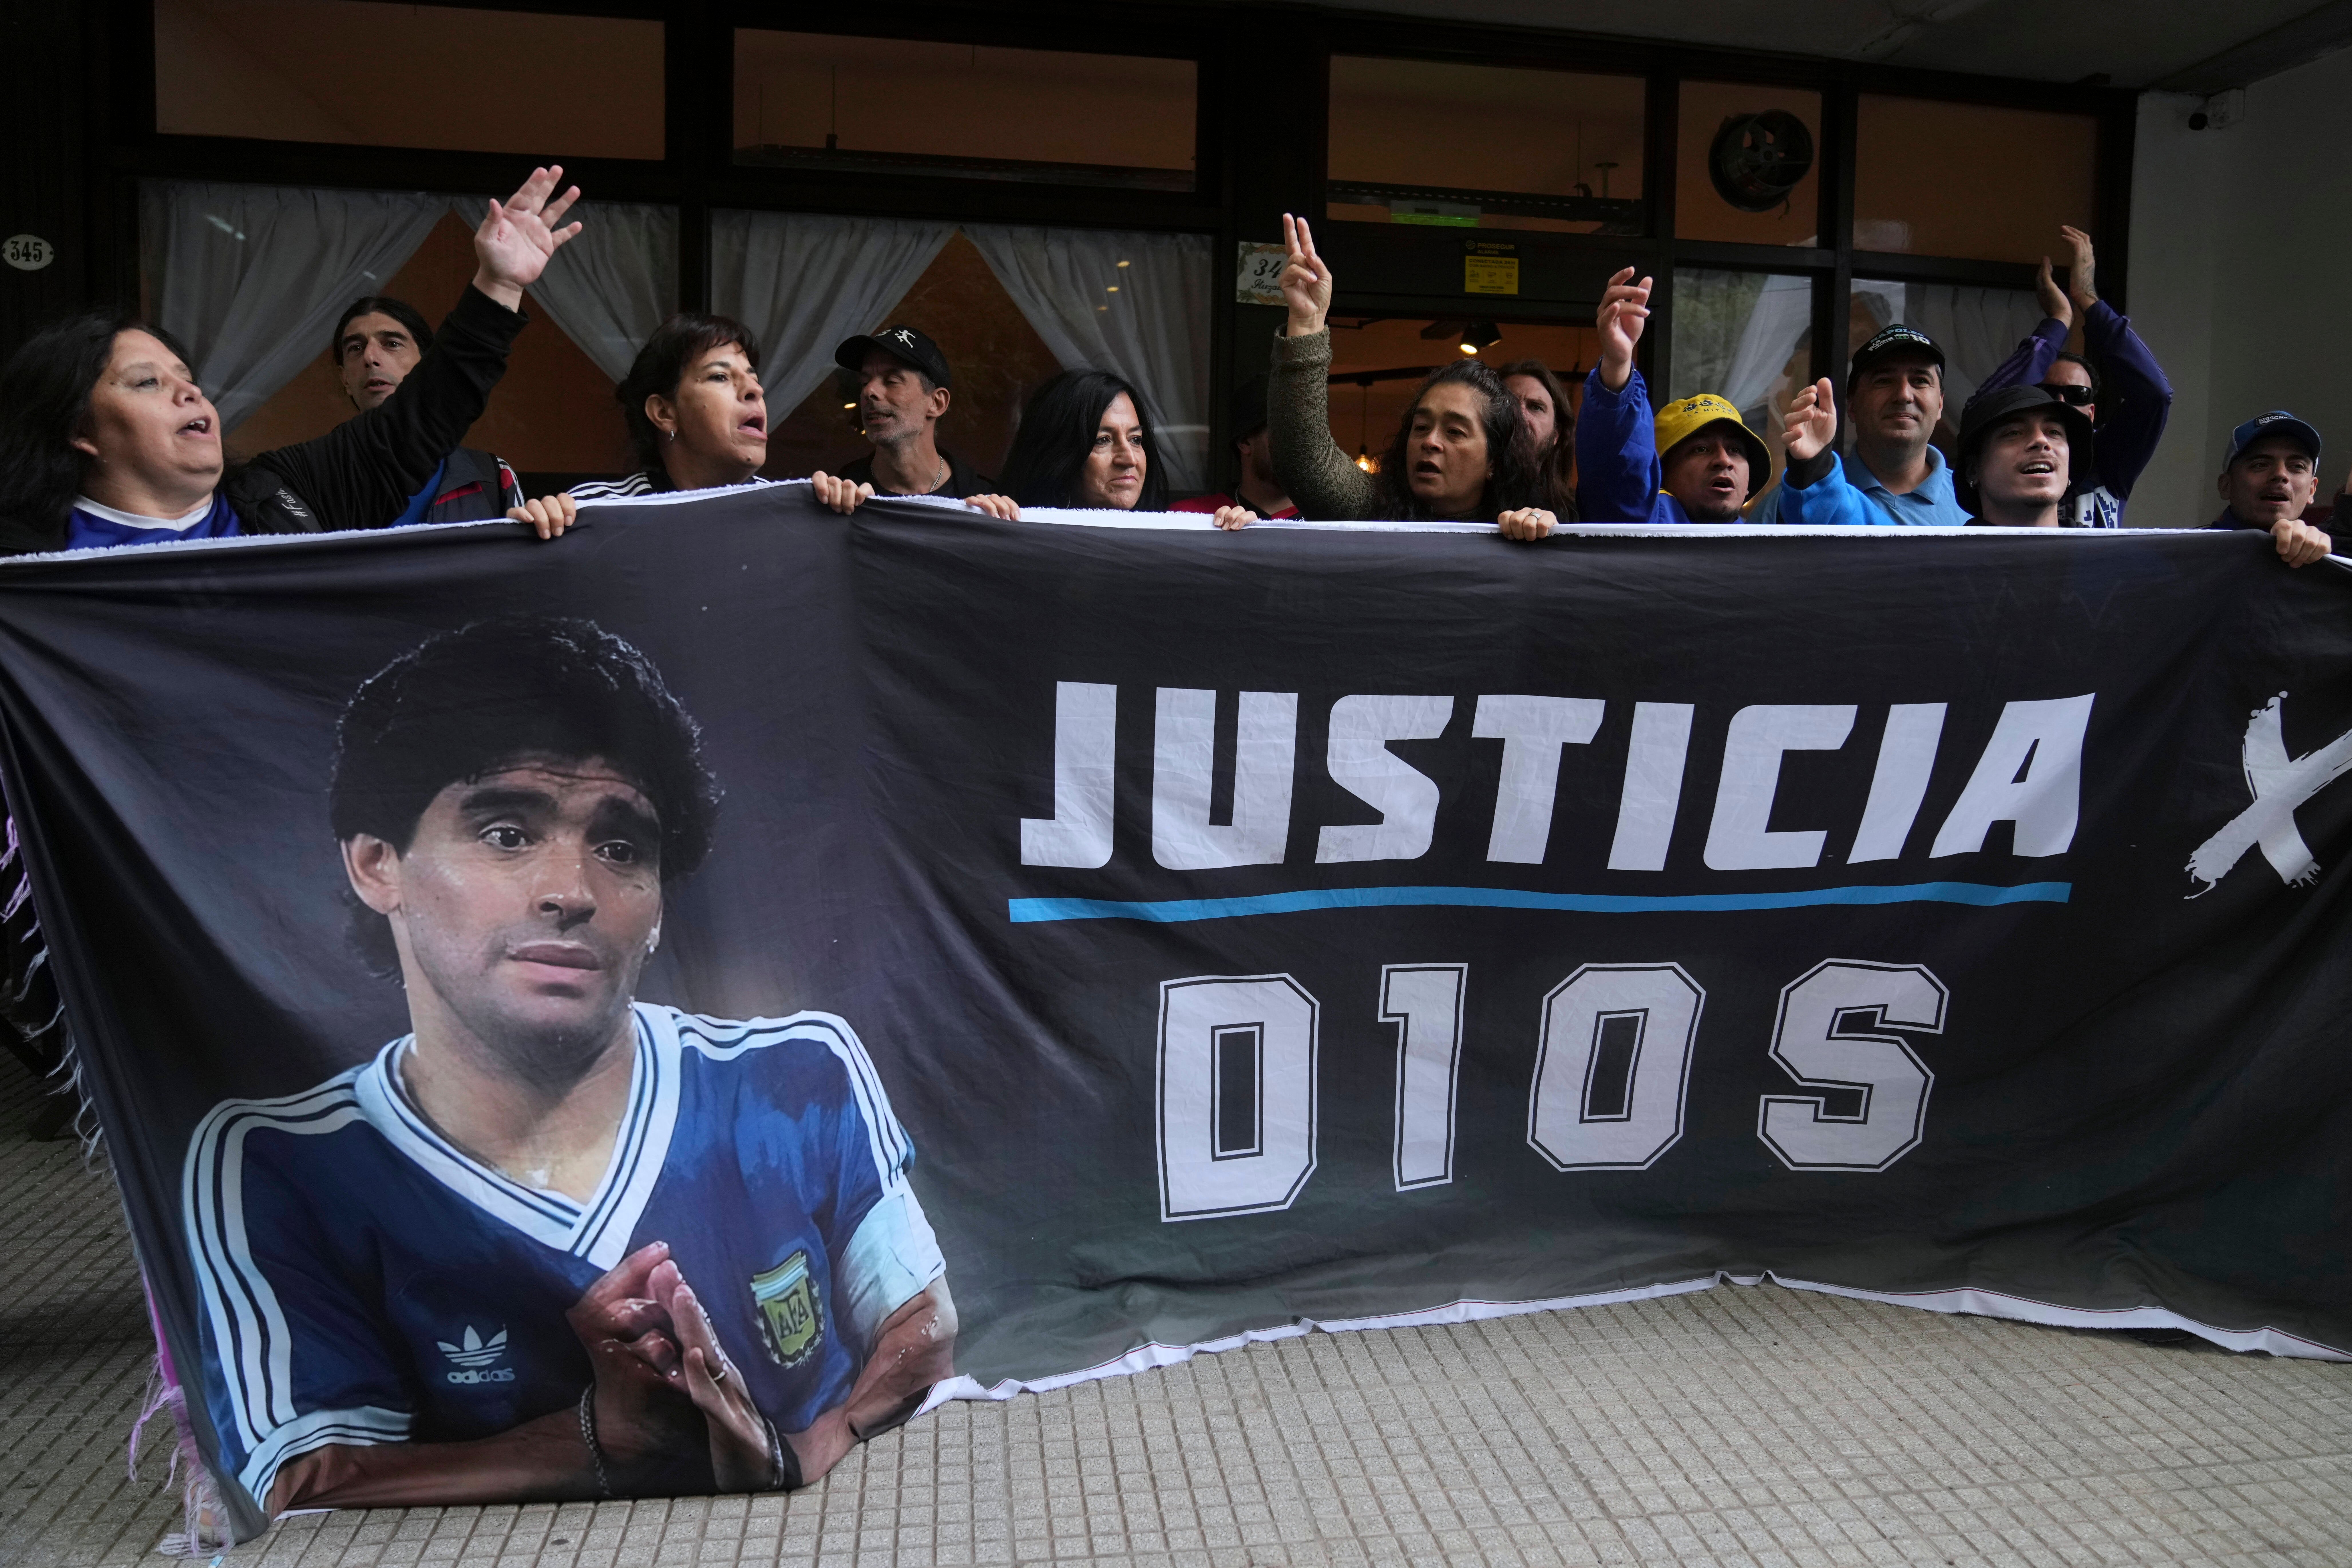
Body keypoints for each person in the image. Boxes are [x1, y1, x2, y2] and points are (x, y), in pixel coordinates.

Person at [182, 615, 956, 1514]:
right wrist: (601, 1439)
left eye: (621, 847)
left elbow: (922, 1324)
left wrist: (806, 1449)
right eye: (508, 832)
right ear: (376, 864)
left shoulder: (797, 1071)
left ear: (661, 902)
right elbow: (301, 1479)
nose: (572, 890)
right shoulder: (280, 1161)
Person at [0, 166, 580, 556]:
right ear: (80, 428)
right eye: (148, 382)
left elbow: (429, 411)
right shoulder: (27, 559)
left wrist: (498, 284)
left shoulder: (283, 495)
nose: (191, 395)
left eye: (189, 378)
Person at [1261, 215, 1552, 539]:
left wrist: (1538, 532)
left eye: (1455, 431)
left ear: (1494, 462)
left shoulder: (1518, 528)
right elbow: (1304, 459)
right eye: (1421, 427)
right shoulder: (1373, 508)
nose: (1430, 442)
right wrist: (1306, 322)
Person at [1974, 228, 2172, 528]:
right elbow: (1985, 408)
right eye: (2045, 392)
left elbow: (2154, 395)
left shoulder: (2109, 460)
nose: (2061, 402)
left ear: (2092, 413)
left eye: (2077, 394)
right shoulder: (2002, 462)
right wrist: (2058, 321)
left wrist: (2088, 300)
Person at [1571, 270, 1768, 525]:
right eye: (1701, 449)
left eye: (1736, 450)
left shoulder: (1760, 543)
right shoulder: (1642, 529)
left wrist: (1812, 467)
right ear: (1660, 474)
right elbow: (1622, 467)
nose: (1724, 461)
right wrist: (1618, 365)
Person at [330, 296, 525, 526]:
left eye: (392, 344)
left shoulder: (493, 476)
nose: (370, 358)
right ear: (345, 379)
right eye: (356, 348)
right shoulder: (308, 478)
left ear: (426, 365)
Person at [1763, 322, 1968, 528]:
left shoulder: (1974, 500)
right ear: (1852, 405)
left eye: (1920, 381)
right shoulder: (1793, 497)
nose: (1904, 395)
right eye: (1884, 381)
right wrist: (1811, 469)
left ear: (1941, 404)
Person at [999, 368, 1187, 514]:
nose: (1130, 459)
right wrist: (980, 515)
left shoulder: (1169, 533)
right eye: (1103, 440)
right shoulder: (1017, 527)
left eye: (1136, 440)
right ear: (1057, 453)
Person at [2203, 411, 2335, 567]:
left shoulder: (2328, 561)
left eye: (2297, 467)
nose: (2280, 475)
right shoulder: (2187, 554)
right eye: (2260, 465)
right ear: (2226, 486)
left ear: (2312, 490)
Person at [1172, 377, 1297, 520]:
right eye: (1287, 432)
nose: (1301, 444)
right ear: (1245, 442)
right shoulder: (1188, 517)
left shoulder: (1324, 520)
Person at [1492, 359, 1576, 521]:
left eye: (1536, 407)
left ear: (1556, 434)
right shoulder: (1459, 498)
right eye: (1509, 405)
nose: (1521, 417)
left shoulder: (1573, 513)